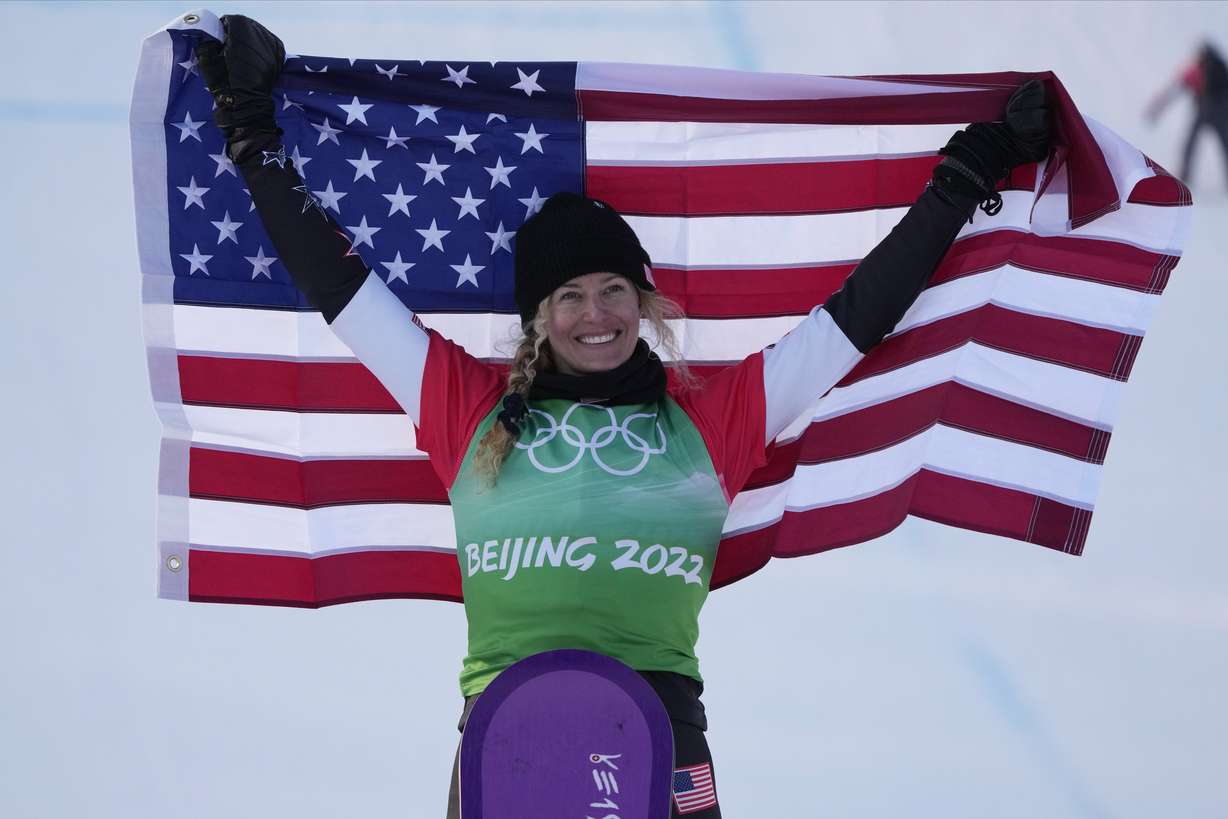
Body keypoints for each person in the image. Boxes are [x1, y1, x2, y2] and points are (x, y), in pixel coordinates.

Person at [196, 16, 1049, 818]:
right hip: (507, 731)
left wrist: (964, 177)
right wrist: (253, 138)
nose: (594, 312)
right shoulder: (471, 413)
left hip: (662, 732)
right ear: (539, 316)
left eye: (613, 290)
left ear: (643, 303)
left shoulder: (713, 423)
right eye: (569, 294)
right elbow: (343, 292)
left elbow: (855, 316)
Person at [1146, 41, 1228, 189]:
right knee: (1224, 145)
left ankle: (1186, 175)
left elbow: (1174, 91)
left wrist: (1155, 110)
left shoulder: (1198, 69)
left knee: (1190, 144)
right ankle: (1186, 175)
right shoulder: (1220, 68)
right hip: (1219, 114)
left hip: (1203, 112)